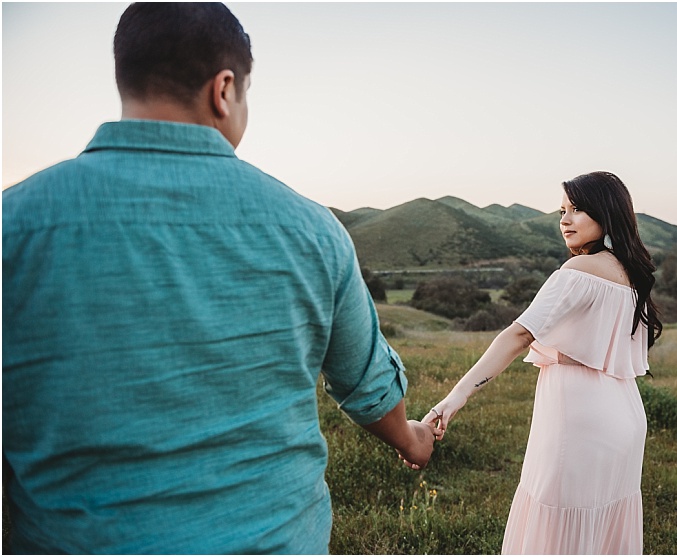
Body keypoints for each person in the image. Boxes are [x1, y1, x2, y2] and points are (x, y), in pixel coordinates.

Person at [2, 3, 437, 553]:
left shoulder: (13, 223)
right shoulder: (311, 230)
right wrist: (413, 441)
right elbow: (369, 388)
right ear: (224, 89)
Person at [423, 171, 662, 554]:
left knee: (558, 529)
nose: (565, 220)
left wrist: (456, 397)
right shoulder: (631, 275)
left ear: (606, 213)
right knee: (599, 528)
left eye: (577, 209)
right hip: (626, 418)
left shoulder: (577, 272)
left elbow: (519, 335)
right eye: (562, 211)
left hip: (580, 420)